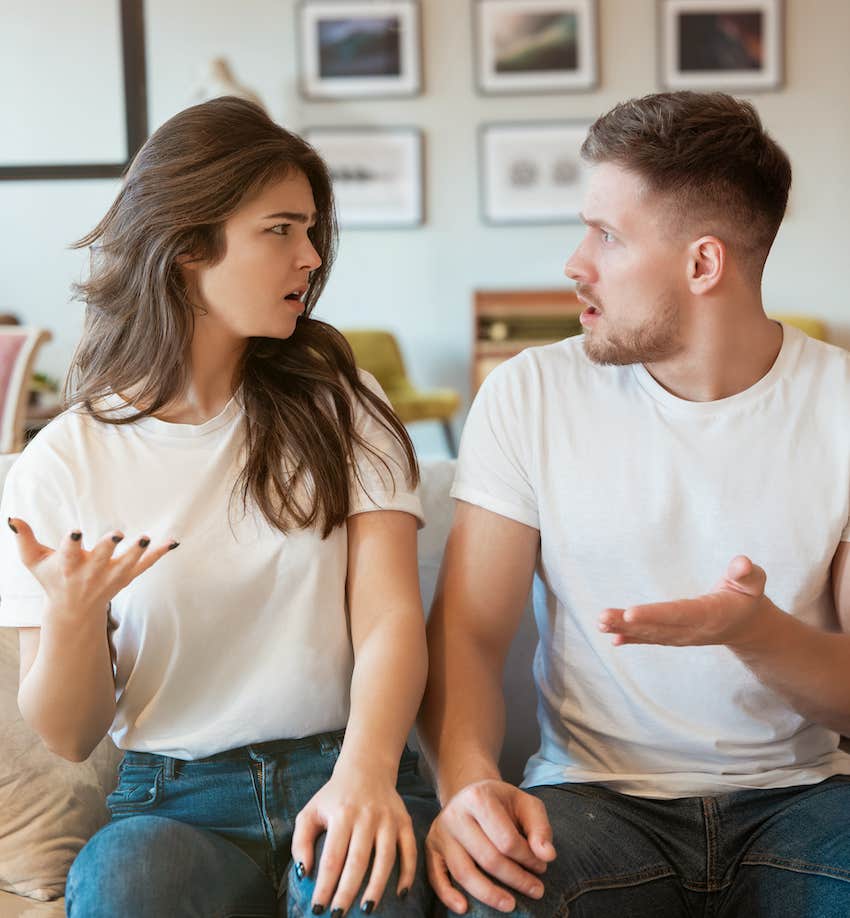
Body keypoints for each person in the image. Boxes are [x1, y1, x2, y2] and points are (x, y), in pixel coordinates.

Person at [0, 96, 436, 918]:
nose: (310, 256)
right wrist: (70, 616)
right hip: (174, 799)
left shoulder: (342, 404)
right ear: (186, 245)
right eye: (281, 230)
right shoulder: (65, 460)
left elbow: (388, 619)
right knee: (124, 881)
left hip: (343, 763)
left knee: (364, 894)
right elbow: (68, 734)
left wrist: (368, 774)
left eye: (311, 231)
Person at [418, 91, 850, 918]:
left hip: (803, 802)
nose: (575, 263)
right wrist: (469, 783)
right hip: (595, 803)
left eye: (607, 237)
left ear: (702, 265)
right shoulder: (529, 395)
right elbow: (468, 636)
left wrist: (756, 636)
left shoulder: (840, 405)